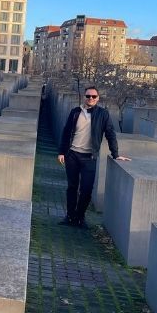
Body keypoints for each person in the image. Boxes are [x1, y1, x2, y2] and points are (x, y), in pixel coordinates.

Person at [57, 86, 130, 228]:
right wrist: (61, 151)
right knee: (72, 187)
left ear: (98, 99)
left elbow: (110, 134)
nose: (90, 98)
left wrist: (116, 154)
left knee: (86, 189)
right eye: (88, 96)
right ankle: (70, 216)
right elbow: (66, 132)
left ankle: (80, 217)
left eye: (93, 97)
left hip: (89, 157)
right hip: (72, 155)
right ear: (84, 97)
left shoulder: (103, 114)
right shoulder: (75, 112)